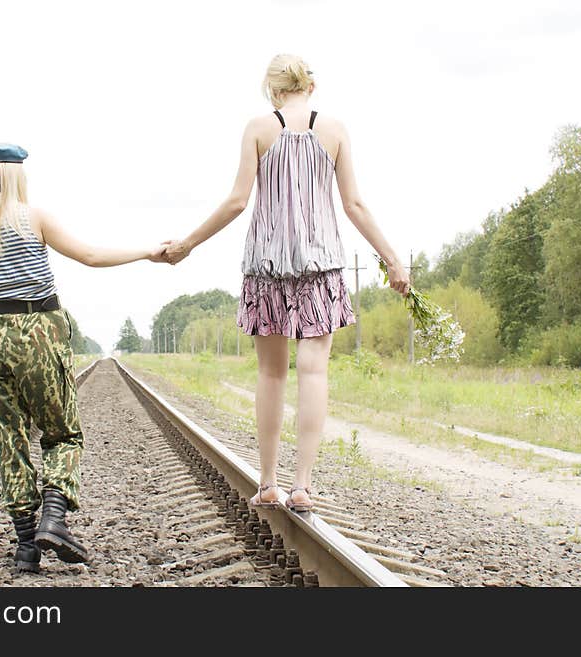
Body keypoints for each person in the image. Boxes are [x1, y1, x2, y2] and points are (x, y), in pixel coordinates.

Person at [163, 54, 411, 512]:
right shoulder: (334, 131)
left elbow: (238, 202)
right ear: (309, 87)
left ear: (272, 90)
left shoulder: (259, 129)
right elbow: (354, 205)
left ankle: (269, 482)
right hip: (322, 267)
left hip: (268, 268)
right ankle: (302, 486)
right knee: (314, 371)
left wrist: (189, 244)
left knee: (271, 373)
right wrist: (393, 259)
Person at [0, 143, 167, 572]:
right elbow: (90, 256)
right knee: (62, 435)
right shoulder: (35, 218)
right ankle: (54, 517)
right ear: (17, 176)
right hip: (41, 333)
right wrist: (146, 252)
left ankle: (26, 547)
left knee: (10, 441)